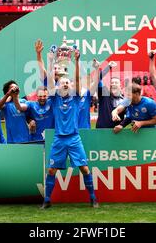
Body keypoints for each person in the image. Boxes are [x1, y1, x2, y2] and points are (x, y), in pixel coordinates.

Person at [41, 48, 98, 209]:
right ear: (58, 86)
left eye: (68, 82)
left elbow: (78, 81)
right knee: (51, 170)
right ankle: (47, 200)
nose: (65, 83)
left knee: (84, 168)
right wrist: (51, 60)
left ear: (71, 86)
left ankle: (93, 198)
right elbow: (51, 81)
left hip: (74, 137)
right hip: (59, 138)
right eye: (63, 82)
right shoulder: (54, 98)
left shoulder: (75, 98)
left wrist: (78, 61)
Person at [95, 62, 125, 128]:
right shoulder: (104, 94)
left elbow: (129, 116)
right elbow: (98, 79)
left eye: (116, 83)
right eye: (112, 83)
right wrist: (108, 67)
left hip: (116, 133)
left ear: (121, 86)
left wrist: (122, 124)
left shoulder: (124, 100)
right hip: (101, 131)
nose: (113, 84)